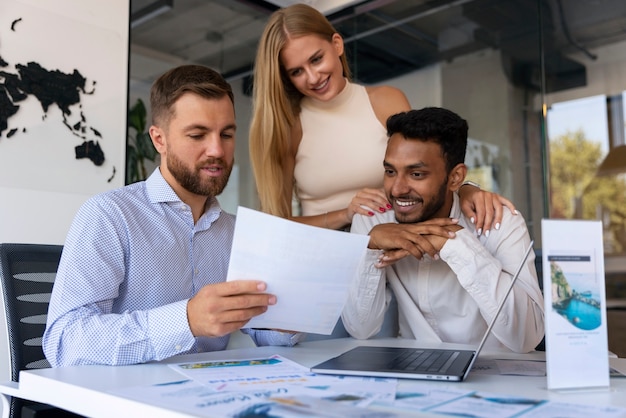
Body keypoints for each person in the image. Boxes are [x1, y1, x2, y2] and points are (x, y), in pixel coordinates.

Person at [43, 65, 302, 367]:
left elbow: (263, 332)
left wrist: (287, 322)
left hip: (209, 398)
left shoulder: (236, 232)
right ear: (159, 140)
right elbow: (66, 342)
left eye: (227, 134)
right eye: (198, 134)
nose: (217, 150)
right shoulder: (110, 216)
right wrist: (186, 320)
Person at [249, 3, 514, 235]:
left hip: (394, 255)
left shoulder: (385, 101)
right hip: (325, 259)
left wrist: (467, 189)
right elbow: (276, 225)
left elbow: (429, 167)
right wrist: (345, 213)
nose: (312, 77)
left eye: (316, 59)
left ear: (337, 44)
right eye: (297, 71)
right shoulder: (289, 127)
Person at [342, 107, 544, 353]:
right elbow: (360, 328)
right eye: (390, 171)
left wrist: (454, 243)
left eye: (416, 174)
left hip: (495, 375)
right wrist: (370, 247)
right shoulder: (372, 222)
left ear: (455, 177)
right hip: (416, 376)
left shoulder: (499, 222)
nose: (397, 189)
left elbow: (526, 337)